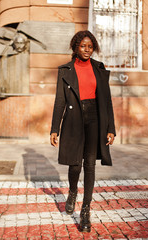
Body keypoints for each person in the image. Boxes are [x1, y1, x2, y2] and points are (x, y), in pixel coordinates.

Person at [50, 30, 116, 232]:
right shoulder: (65, 70)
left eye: (90, 46)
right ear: (75, 47)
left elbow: (106, 100)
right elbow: (60, 100)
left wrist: (111, 128)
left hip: (95, 118)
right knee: (75, 164)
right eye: (83, 46)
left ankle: (86, 211)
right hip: (74, 119)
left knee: (90, 165)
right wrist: (54, 129)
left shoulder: (99, 68)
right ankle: (72, 191)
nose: (87, 50)